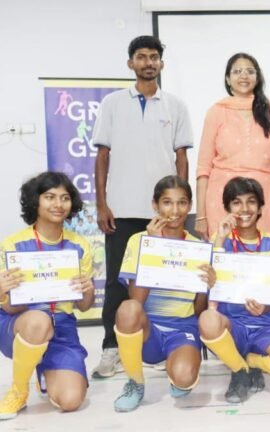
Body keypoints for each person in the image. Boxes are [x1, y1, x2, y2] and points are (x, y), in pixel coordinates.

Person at [92, 35, 193, 379]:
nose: (148, 62)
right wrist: (102, 203)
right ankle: (111, 348)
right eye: (141, 57)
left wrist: (179, 204)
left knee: (167, 278)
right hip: (120, 209)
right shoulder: (112, 104)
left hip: (163, 213)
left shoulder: (176, 106)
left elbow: (182, 158)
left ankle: (164, 341)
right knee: (119, 285)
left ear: (161, 64)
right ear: (130, 63)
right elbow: (102, 155)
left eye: (154, 57)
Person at [112, 176, 216, 412]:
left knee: (184, 379)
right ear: (155, 205)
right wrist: (154, 248)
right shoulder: (139, 241)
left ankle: (176, 366)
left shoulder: (198, 247)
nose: (175, 210)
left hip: (182, 329)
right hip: (148, 330)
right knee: (127, 309)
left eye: (182, 203)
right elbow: (136, 301)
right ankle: (135, 383)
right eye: (167, 202)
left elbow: (198, 311)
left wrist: (207, 287)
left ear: (189, 206)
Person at [0, 172, 95, 419]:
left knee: (71, 401)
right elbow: (10, 307)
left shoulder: (80, 245)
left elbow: (84, 306)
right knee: (39, 320)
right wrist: (2, 292)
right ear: (36, 201)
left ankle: (43, 368)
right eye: (49, 197)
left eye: (64, 198)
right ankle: (18, 392)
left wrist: (88, 289)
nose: (58, 204)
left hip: (61, 325)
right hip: (21, 321)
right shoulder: (13, 245)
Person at [199, 177, 270, 403]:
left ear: (260, 207)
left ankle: (253, 361)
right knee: (207, 320)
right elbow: (210, 294)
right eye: (236, 203)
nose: (244, 209)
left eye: (251, 202)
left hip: (265, 324)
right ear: (227, 208)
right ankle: (240, 371)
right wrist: (220, 241)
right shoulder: (220, 240)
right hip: (231, 324)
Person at [196, 52, 270, 239]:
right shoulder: (216, 111)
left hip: (265, 200)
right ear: (228, 79)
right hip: (222, 199)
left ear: (258, 77)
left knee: (265, 258)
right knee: (224, 257)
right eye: (237, 71)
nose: (244, 76)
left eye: (249, 71)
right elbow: (203, 167)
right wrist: (200, 215)